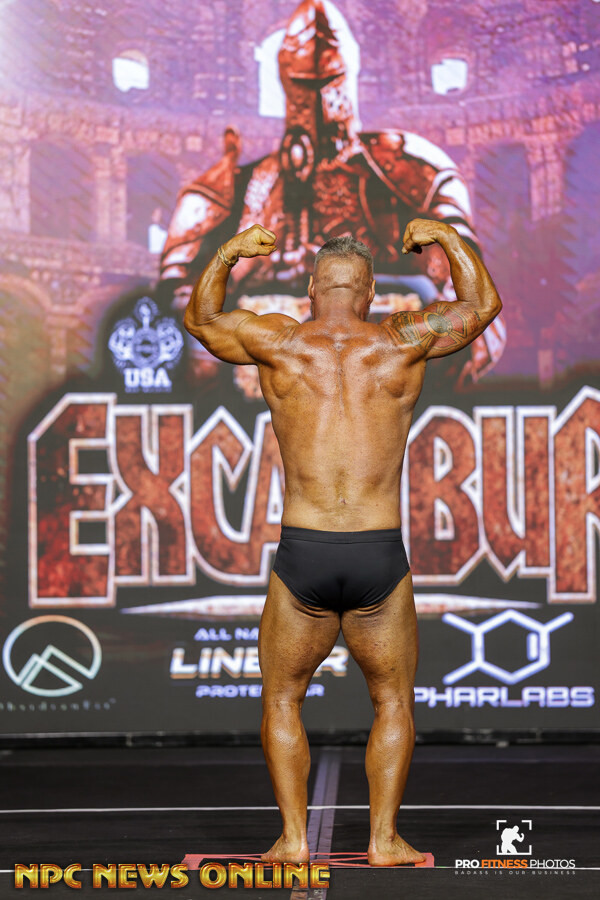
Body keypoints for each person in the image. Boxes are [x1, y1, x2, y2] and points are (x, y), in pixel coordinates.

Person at [183, 218, 502, 866]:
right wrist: (445, 236)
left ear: (311, 288)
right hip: (377, 552)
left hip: (305, 550)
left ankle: (293, 841)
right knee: (392, 700)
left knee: (282, 698)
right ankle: (383, 840)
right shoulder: (399, 341)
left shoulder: (279, 342)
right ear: (371, 290)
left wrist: (228, 253)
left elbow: (201, 320)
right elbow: (482, 305)